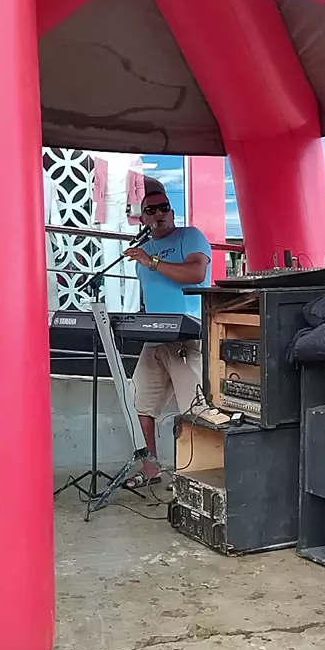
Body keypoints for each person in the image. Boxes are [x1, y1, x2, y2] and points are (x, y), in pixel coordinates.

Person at [123, 191, 212, 489]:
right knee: (139, 404)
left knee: (195, 410)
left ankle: (196, 476)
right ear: (143, 218)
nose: (158, 214)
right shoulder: (142, 251)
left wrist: (152, 262)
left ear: (172, 213)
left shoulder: (190, 236)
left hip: (187, 336)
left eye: (164, 208)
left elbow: (196, 272)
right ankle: (151, 470)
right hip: (154, 338)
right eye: (151, 210)